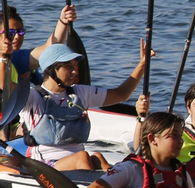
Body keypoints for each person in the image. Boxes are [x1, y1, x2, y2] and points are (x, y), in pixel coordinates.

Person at [19, 41, 149, 170]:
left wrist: (142, 64)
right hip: (43, 164)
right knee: (83, 157)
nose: (75, 71)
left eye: (74, 66)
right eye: (68, 66)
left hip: (78, 160)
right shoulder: (31, 97)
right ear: (51, 69)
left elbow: (121, 94)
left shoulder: (80, 93)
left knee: (98, 157)